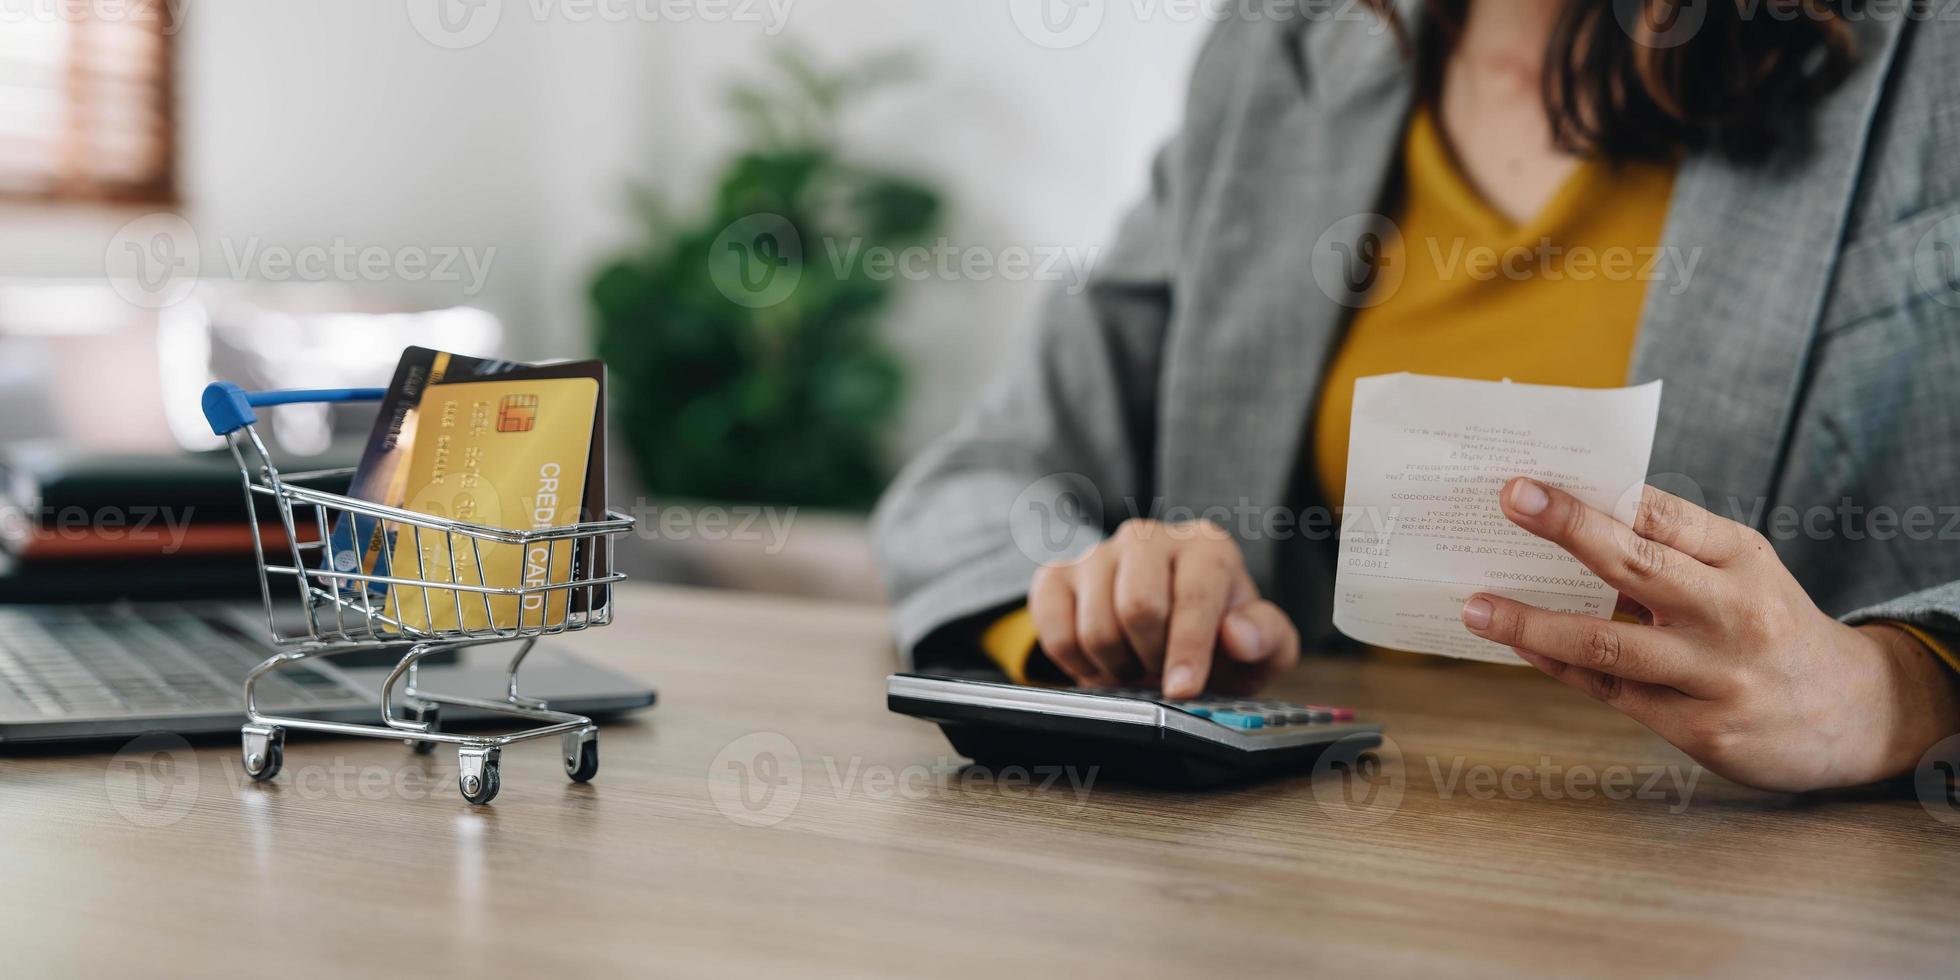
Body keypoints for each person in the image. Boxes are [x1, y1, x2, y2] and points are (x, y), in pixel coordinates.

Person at [871, 0, 1960, 792]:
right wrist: (1092, 617)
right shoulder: (1275, 57)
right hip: (1299, 885)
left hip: (1751, 904)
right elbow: (978, 479)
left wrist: (1893, 689)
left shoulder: (1928, 58)